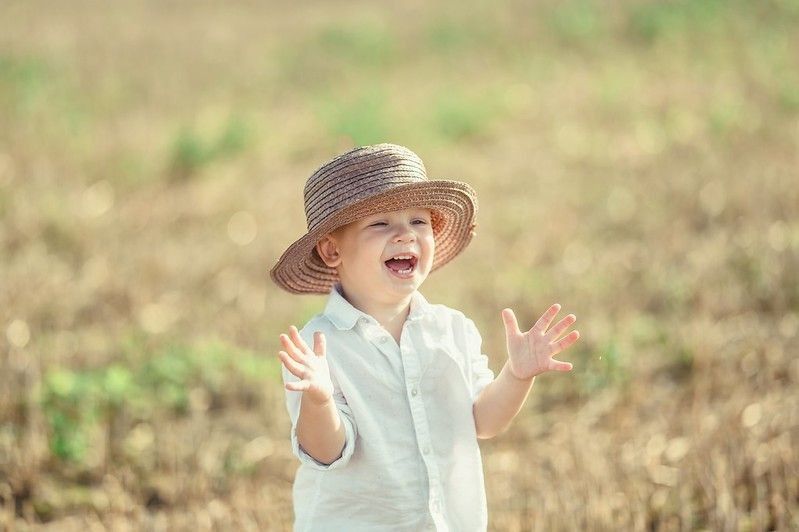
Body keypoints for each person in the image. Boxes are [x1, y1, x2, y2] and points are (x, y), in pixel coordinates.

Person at [270, 143, 580, 531]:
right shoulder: (318, 349)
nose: (405, 235)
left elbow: (482, 422)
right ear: (333, 249)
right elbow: (327, 451)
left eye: (419, 222)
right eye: (380, 224)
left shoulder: (452, 330)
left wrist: (517, 376)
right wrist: (318, 400)